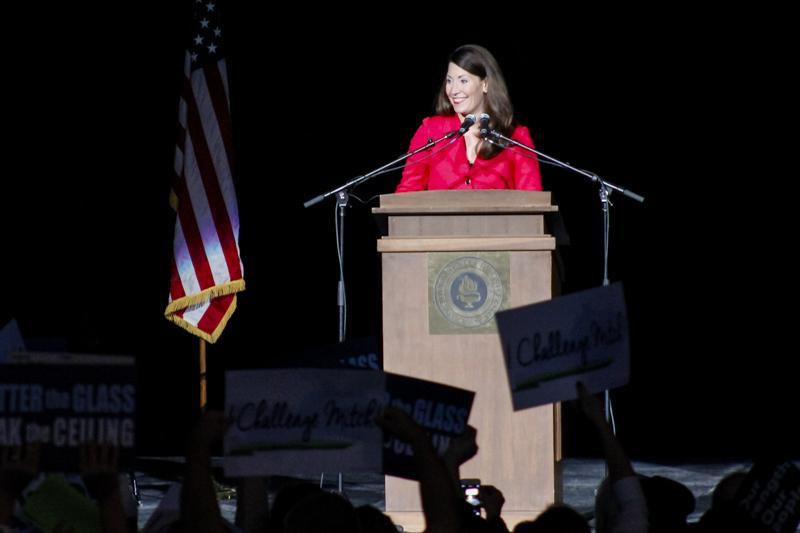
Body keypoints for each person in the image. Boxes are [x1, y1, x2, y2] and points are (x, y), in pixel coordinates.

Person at [396, 44, 543, 192]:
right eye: (449, 81)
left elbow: (532, 202)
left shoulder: (515, 138)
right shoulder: (431, 132)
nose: (453, 90)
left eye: (463, 80)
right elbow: (407, 194)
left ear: (485, 84)